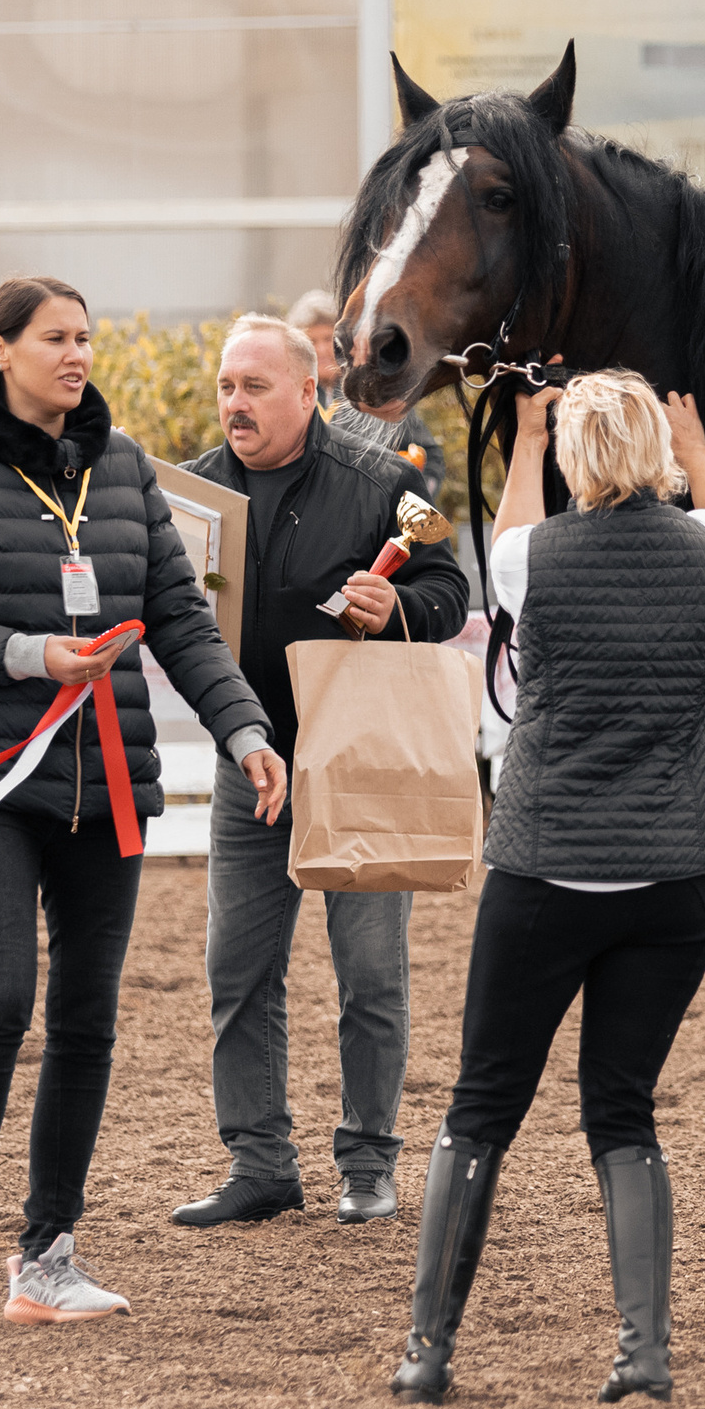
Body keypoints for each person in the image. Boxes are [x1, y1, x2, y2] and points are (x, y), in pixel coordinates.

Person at [0, 276, 282, 1324]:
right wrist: (23, 653)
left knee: (87, 1019)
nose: (77, 353)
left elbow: (180, 619)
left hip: (107, 779)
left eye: (85, 336)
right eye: (55, 337)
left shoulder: (128, 466)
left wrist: (243, 728)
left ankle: (48, 1253)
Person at [390, 369, 705, 1408]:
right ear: (655, 452)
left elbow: (511, 526)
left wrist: (529, 436)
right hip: (671, 879)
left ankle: (429, 1347)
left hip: (546, 866)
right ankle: (644, 1349)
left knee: (482, 1104)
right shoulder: (704, 552)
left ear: (576, 455)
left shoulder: (526, 557)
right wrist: (698, 439)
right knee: (623, 1114)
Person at [167, 315, 467, 1231]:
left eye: (255, 386)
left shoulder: (384, 483)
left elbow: (452, 591)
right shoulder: (193, 494)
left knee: (369, 971)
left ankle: (368, 1162)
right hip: (247, 755)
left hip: (358, 756)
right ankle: (260, 1163)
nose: (235, 403)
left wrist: (400, 604)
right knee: (237, 967)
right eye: (226, 386)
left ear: (309, 391)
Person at [286, 290, 446, 499]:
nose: (322, 349)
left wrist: (413, 500)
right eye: (311, 341)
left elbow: (430, 456)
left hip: (375, 517)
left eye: (328, 338)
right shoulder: (288, 398)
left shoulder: (375, 390)